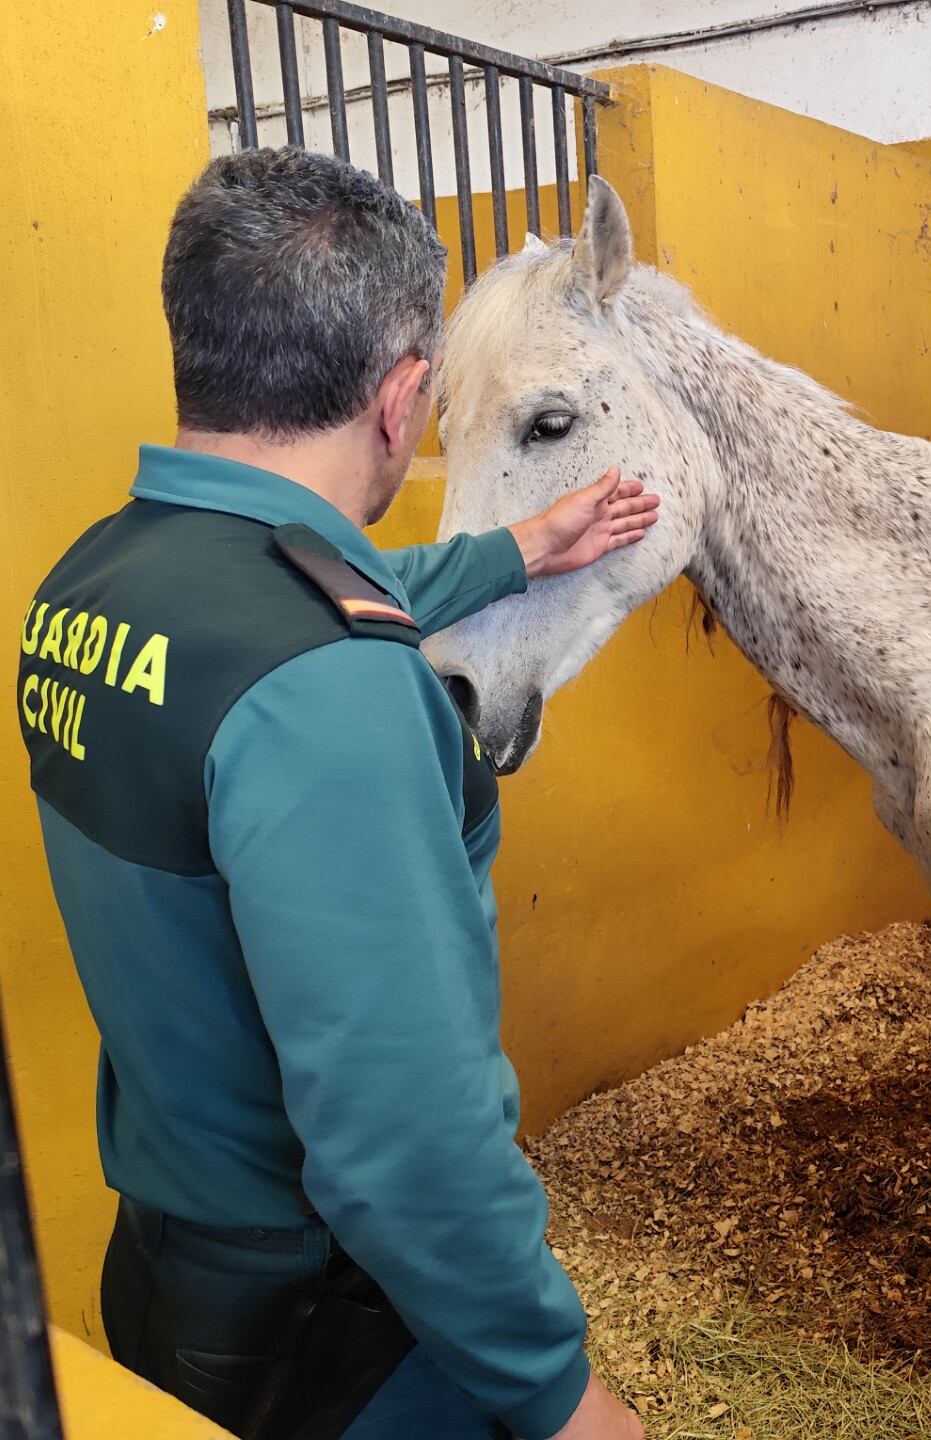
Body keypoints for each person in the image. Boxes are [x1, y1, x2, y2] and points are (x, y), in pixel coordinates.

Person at [17, 147, 652, 1439]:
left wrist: (517, 548)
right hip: (332, 1339)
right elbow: (404, 1145)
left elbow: (291, 605)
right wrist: (560, 1396)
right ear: (403, 398)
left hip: (165, 1272)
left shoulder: (97, 579)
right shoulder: (332, 692)